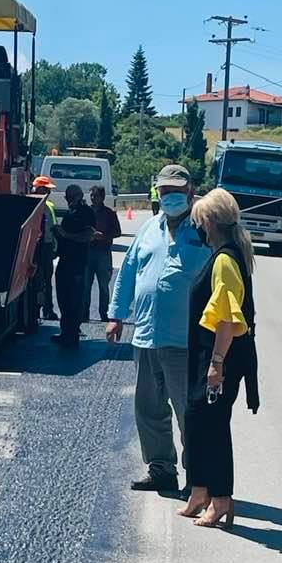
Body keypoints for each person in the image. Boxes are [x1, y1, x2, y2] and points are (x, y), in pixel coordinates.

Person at [106, 164, 209, 492]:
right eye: (165, 192)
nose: (170, 197)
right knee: (149, 409)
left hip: (186, 340)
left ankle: (199, 479)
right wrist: (116, 315)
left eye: (176, 192)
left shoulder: (205, 229)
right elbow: (128, 273)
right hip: (147, 335)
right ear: (158, 193)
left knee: (188, 413)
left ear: (190, 192)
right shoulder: (149, 228)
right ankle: (162, 469)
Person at [177, 188, 259, 528]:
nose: (197, 226)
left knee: (212, 426)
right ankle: (200, 491)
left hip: (220, 356)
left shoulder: (225, 259)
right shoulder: (226, 254)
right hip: (209, 354)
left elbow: (227, 317)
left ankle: (221, 498)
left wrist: (216, 364)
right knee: (197, 422)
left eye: (198, 220)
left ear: (209, 222)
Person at [52, 184, 96, 348]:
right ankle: (65, 331)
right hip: (64, 260)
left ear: (79, 196)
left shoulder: (86, 213)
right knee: (63, 297)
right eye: (67, 197)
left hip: (77, 262)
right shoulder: (70, 213)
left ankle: (72, 334)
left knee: (74, 299)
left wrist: (66, 235)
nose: (69, 200)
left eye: (72, 197)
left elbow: (88, 235)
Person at [82, 185, 122, 322]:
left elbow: (118, 232)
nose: (93, 198)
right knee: (85, 285)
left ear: (102, 197)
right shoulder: (85, 212)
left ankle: (104, 314)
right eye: (91, 195)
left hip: (103, 253)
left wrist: (103, 236)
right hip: (88, 252)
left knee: (104, 286)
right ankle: (84, 314)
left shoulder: (109, 213)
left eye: (96, 195)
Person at [32, 175, 59, 321]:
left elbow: (52, 228)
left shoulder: (48, 206)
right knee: (37, 280)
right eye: (47, 189)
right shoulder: (32, 204)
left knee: (47, 281)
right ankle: (37, 309)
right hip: (36, 247)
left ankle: (48, 310)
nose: (49, 193)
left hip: (47, 247)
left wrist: (55, 248)